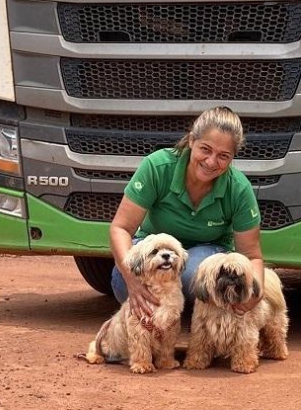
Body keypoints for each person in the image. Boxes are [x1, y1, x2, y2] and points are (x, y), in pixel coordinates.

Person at [109, 106, 264, 321]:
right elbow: (121, 228)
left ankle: (192, 321)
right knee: (121, 283)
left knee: (192, 275)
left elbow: (252, 255)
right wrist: (131, 279)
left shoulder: (238, 188)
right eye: (205, 149)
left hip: (206, 251)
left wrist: (256, 291)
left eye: (223, 156)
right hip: (155, 246)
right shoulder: (157, 166)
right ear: (192, 140)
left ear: (232, 158)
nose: (211, 162)